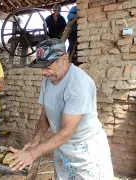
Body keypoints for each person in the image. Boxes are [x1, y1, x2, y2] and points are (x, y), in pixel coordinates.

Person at [8, 39, 113, 179]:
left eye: (47, 66)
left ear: (64, 59)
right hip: (62, 147)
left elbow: (67, 132)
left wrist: (32, 154)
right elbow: (45, 114)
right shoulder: (49, 78)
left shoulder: (78, 85)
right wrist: (35, 142)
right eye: (41, 67)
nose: (43, 72)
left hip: (84, 152)